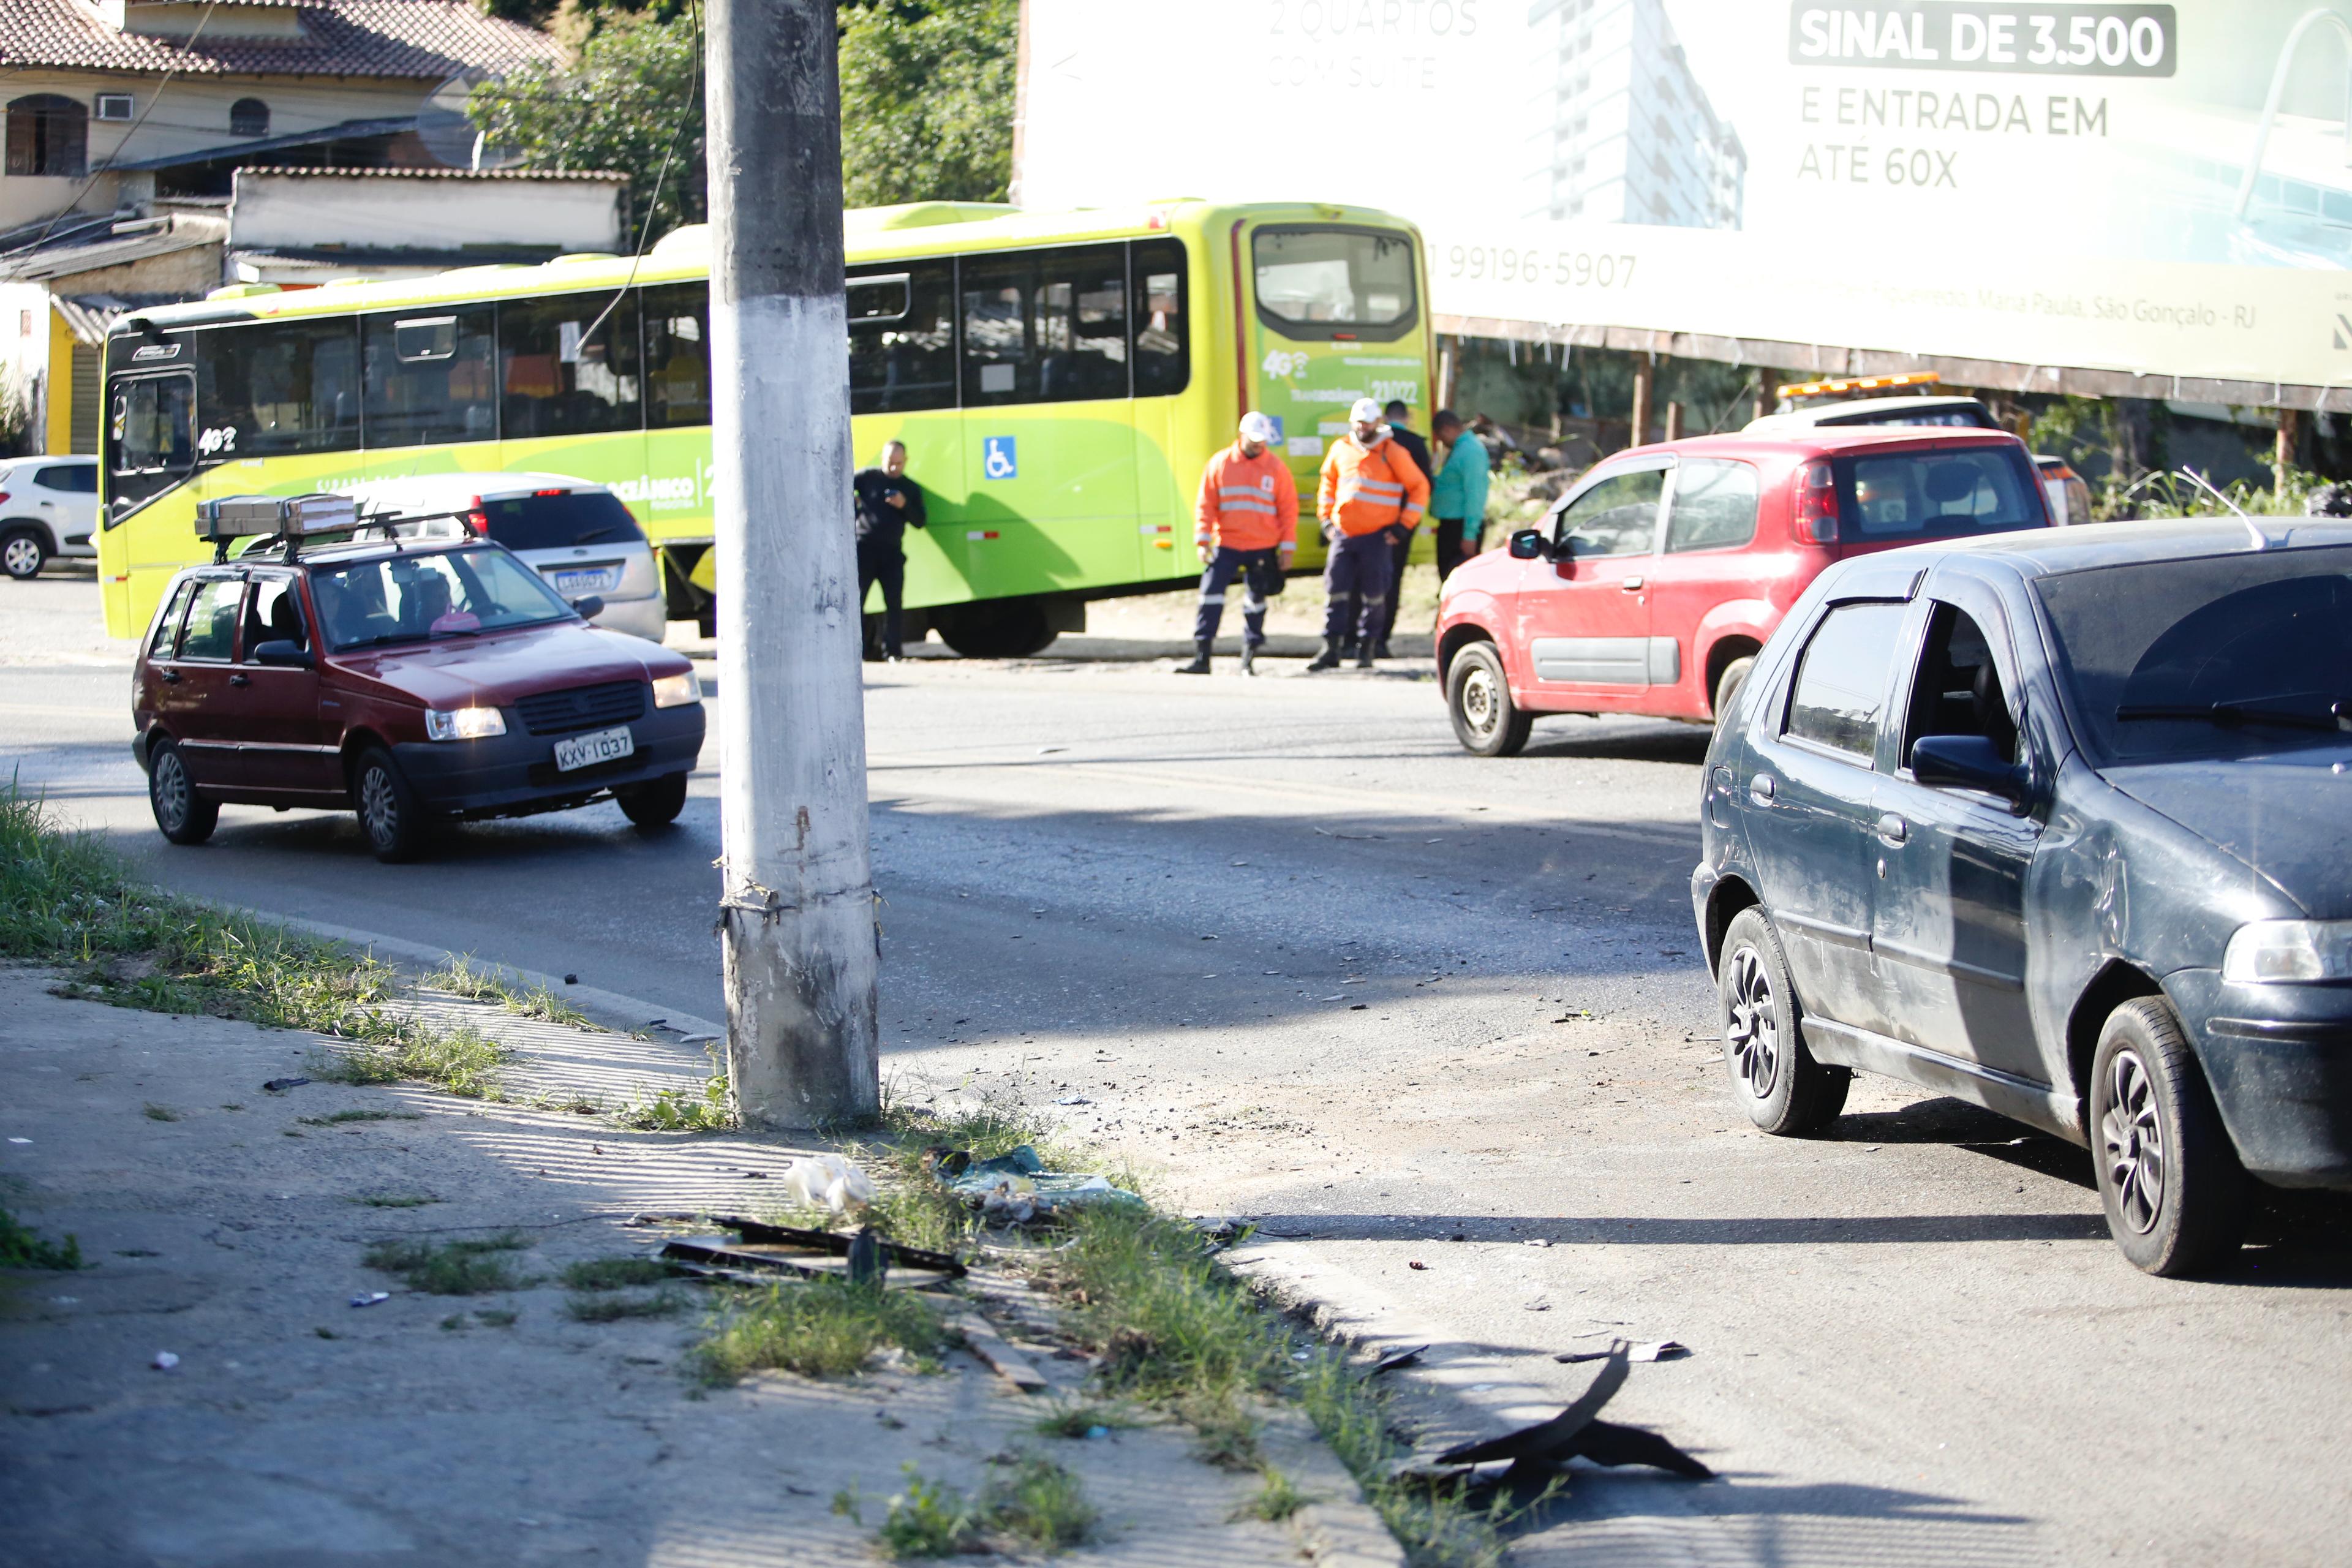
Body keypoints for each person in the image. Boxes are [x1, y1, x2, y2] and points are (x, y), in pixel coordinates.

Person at [1311, 398, 1428, 672]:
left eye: (1369, 422)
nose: (1364, 427)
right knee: (1335, 592)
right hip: (1343, 535)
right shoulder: (1341, 449)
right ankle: (1331, 648)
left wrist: (1403, 526)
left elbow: (1419, 487)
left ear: (1379, 422)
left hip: (1377, 537)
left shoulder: (1393, 451)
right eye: (1359, 422)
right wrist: (1326, 520)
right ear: (1353, 422)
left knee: (1374, 595)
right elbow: (1328, 483)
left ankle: (1367, 649)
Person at [1181, 410, 1298, 676]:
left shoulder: (1276, 469)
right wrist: (1203, 540)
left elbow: (1288, 511)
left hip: (1262, 547)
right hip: (1227, 544)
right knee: (1210, 597)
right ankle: (1202, 657)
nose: (1259, 446)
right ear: (1241, 435)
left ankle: (1249, 658)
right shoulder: (1221, 464)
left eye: (1263, 441)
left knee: (1256, 602)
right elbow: (1206, 505)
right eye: (1254, 440)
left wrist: (1287, 548)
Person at [1368, 399, 1432, 658]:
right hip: (1401, 526)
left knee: (1364, 581)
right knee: (1391, 581)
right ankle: (1381, 639)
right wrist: (1407, 525)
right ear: (1406, 418)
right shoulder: (1416, 444)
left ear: (1384, 418)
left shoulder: (1374, 442)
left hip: (1370, 523)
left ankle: (1358, 638)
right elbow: (1426, 486)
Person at [853, 439, 927, 660]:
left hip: (892, 553)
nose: (894, 468)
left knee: (894, 604)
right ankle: (858, 650)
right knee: (856, 602)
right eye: (890, 463)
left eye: (899, 463)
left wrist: (904, 505)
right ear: (882, 459)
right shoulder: (867, 478)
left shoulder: (910, 488)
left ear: (906, 461)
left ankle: (893, 652)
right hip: (864, 549)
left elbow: (921, 521)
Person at [1428, 409, 1491, 581]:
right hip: (1452, 526)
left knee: (1459, 580)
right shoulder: (1461, 448)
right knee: (1448, 578)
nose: (1441, 442)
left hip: (1461, 528)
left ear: (1448, 429)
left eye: (1441, 437)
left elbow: (1476, 495)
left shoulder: (1471, 451)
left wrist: (1469, 535)